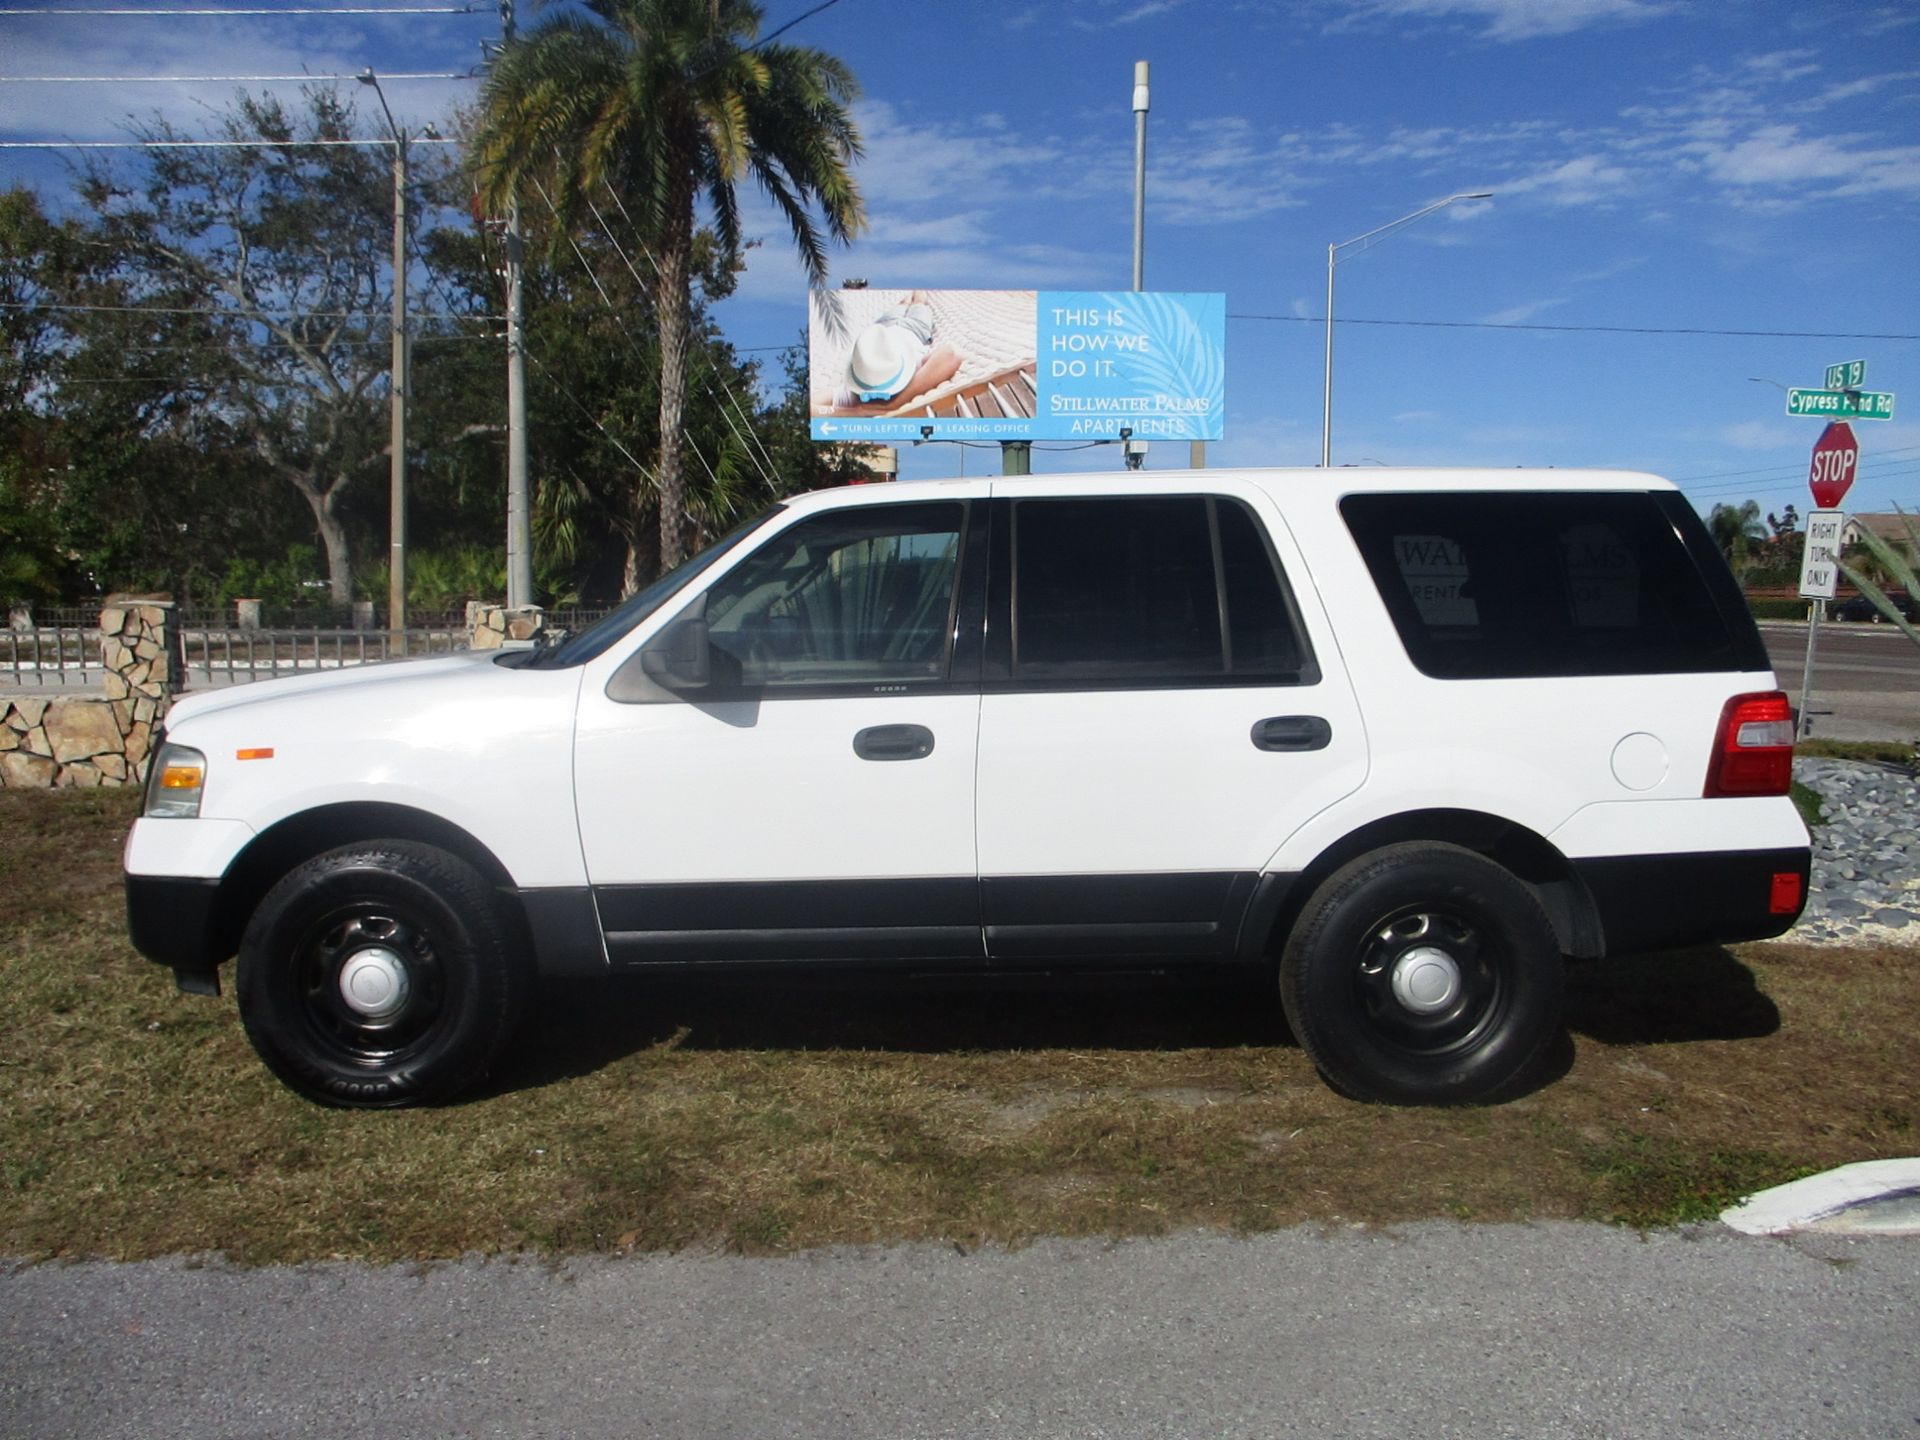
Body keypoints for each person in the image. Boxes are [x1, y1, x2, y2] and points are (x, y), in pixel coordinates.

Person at [829, 291, 961, 412]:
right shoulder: (914, 371)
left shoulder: (855, 391)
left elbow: (812, 406)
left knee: (902, 303)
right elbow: (951, 354)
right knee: (919, 302)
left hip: (884, 327)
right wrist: (896, 403)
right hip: (915, 328)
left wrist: (858, 411)